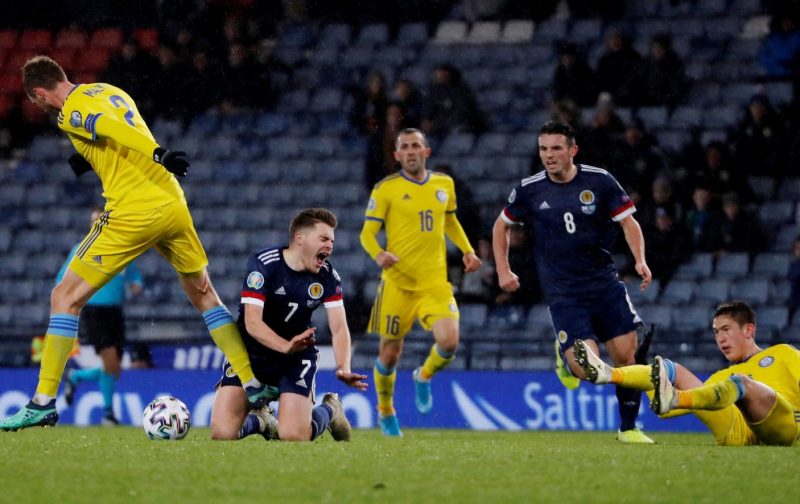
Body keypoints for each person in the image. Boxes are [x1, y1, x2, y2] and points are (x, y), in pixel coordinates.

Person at [1, 55, 271, 431]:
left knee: (64, 298)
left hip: (133, 210)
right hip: (172, 202)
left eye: (38, 101)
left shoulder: (69, 111)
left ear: (40, 92)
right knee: (205, 294)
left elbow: (111, 128)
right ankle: (253, 383)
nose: (41, 107)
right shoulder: (108, 90)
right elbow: (123, 126)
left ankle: (43, 402)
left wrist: (159, 152)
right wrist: (85, 158)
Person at [492, 121, 654, 443]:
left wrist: (640, 259)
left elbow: (629, 223)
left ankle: (628, 429)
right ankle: (565, 358)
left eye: (556, 148)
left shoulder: (600, 181)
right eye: (543, 149)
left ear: (572, 150)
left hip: (605, 284)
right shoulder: (529, 189)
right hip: (564, 293)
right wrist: (503, 270)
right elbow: (501, 226)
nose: (548, 156)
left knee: (626, 356)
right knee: (588, 371)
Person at [360, 128, 481, 437]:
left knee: (449, 341)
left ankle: (423, 376)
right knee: (389, 355)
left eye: (416, 145)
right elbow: (367, 234)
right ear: (396, 154)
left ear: (426, 152)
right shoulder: (385, 189)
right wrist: (379, 254)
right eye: (405, 147)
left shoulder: (444, 184)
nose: (411, 151)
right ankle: (385, 410)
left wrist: (467, 250)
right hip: (397, 284)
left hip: (434, 283)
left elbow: (450, 220)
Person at [210, 208, 368, 442]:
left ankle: (331, 409)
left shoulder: (328, 277)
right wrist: (284, 345)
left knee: (293, 436)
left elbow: (339, 328)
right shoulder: (264, 264)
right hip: (251, 355)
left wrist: (343, 366)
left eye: (332, 241)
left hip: (295, 358)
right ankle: (262, 421)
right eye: (324, 239)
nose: (330, 246)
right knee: (222, 434)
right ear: (299, 239)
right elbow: (252, 321)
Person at [574, 301, 800, 446]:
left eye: (726, 330)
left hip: (784, 425)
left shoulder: (782, 353)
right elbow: (664, 412)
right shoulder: (720, 379)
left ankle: (676, 395)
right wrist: (641, 364)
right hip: (737, 432)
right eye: (716, 332)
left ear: (749, 329)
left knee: (741, 383)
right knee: (673, 369)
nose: (720, 339)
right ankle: (608, 373)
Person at [60, 207, 144, 426]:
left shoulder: (122, 250)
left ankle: (77, 377)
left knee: (114, 368)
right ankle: (108, 414)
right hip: (94, 311)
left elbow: (134, 276)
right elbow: (63, 279)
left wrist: (137, 285)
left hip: (115, 312)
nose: (96, 226)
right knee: (109, 360)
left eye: (100, 221)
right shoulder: (82, 250)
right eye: (93, 222)